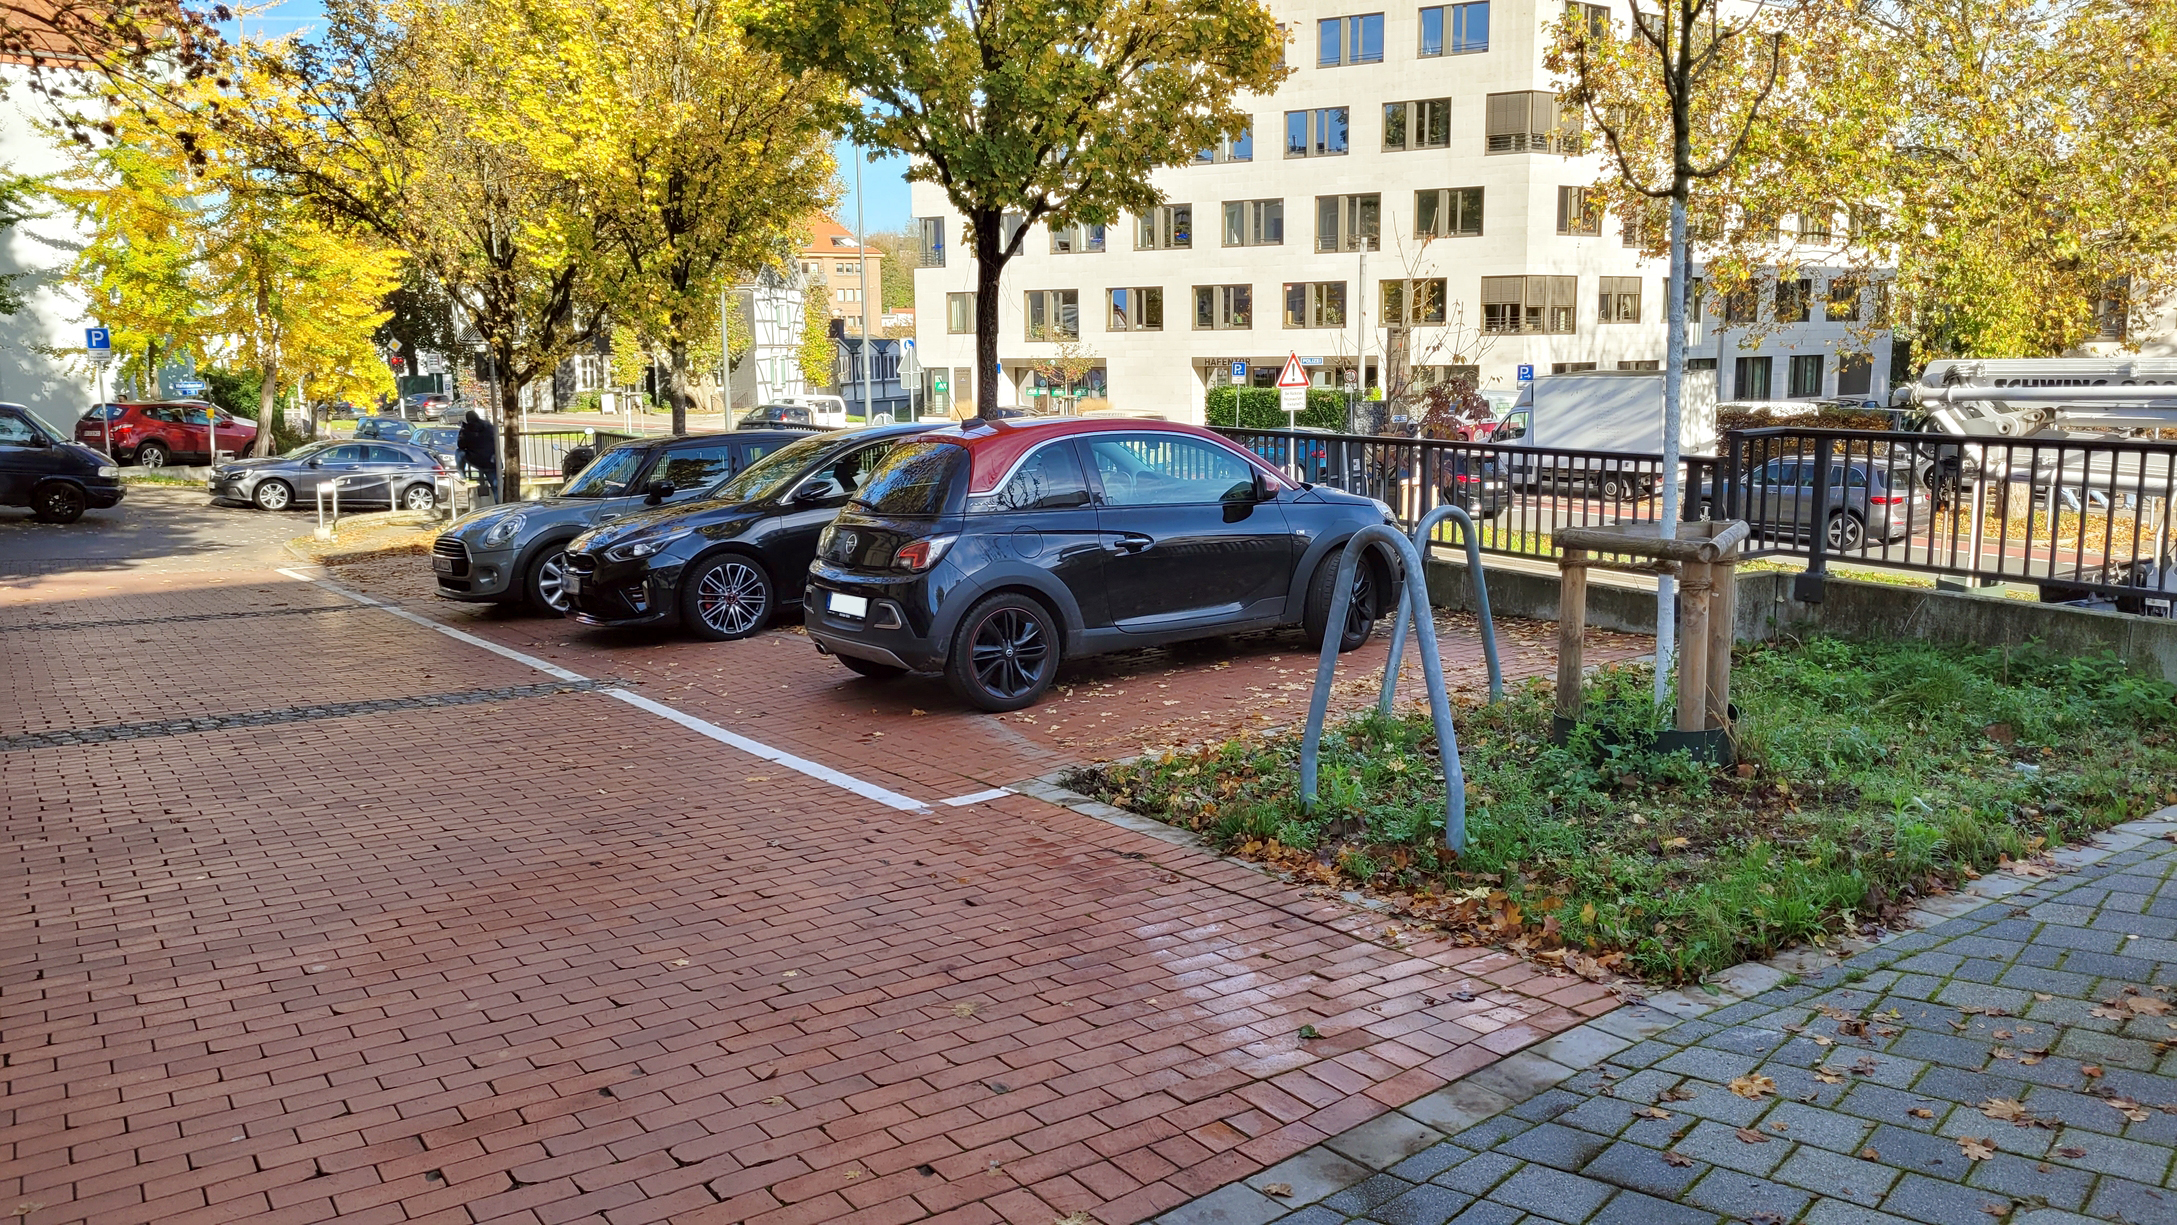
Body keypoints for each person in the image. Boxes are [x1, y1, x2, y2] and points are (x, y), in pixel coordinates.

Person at [457, 409, 498, 505]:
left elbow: (461, 445)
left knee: (459, 453)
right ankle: (500, 505)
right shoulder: (488, 426)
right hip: (491, 460)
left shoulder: (467, 429)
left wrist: (462, 431)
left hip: (475, 459)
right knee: (496, 487)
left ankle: (462, 475)